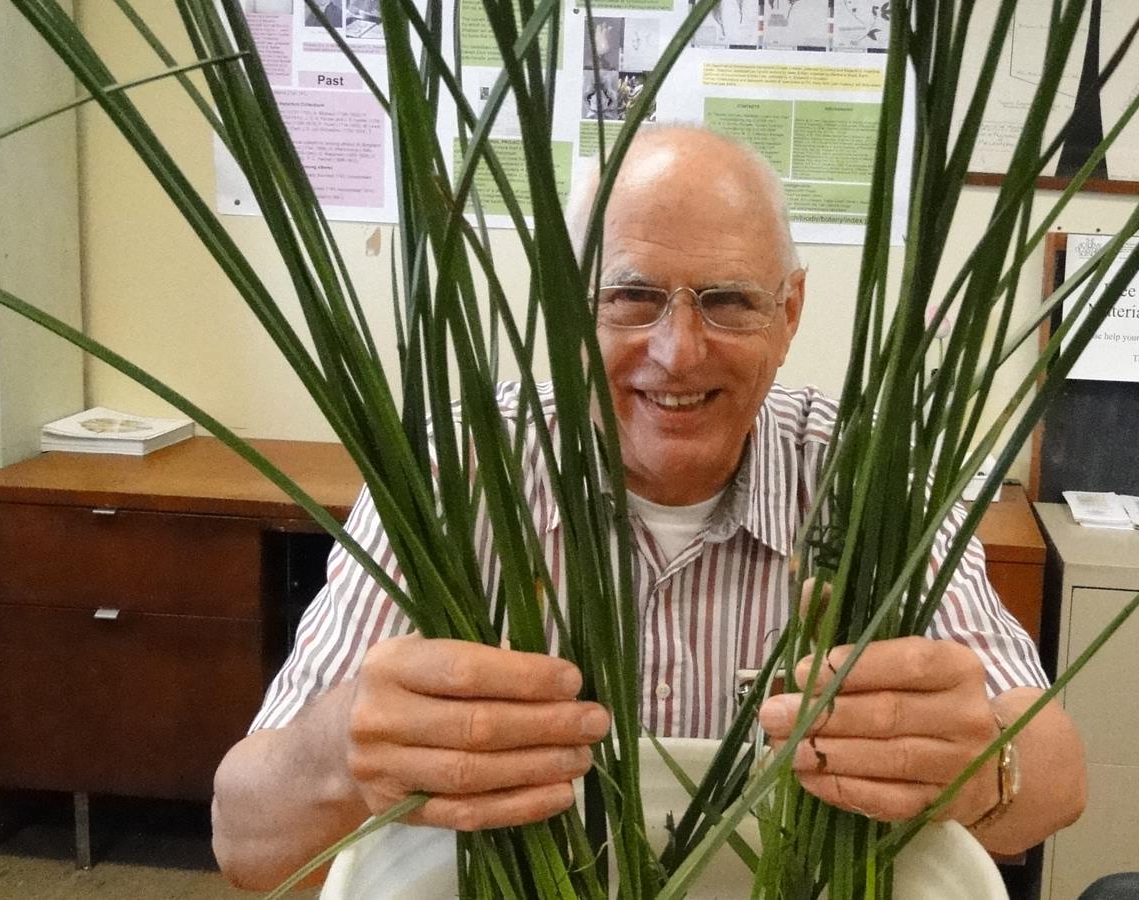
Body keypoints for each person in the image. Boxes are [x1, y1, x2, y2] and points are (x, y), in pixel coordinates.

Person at [210, 125, 1087, 891]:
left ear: (789, 313)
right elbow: (247, 844)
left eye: (730, 300)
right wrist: (340, 758)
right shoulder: (457, 469)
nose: (677, 351)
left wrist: (986, 765)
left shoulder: (865, 475)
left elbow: (1060, 777)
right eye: (630, 297)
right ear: (566, 305)